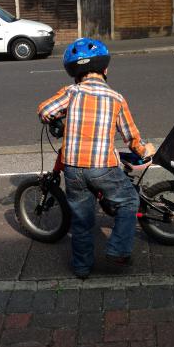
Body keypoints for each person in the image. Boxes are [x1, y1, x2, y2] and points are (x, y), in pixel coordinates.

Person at [37, 38, 155, 279]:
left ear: (75, 74)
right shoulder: (116, 98)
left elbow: (45, 111)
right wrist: (145, 151)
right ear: (105, 69)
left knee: (81, 220)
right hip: (103, 167)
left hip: (73, 167)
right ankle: (118, 249)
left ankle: (81, 268)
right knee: (129, 202)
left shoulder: (71, 92)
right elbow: (131, 136)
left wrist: (59, 118)